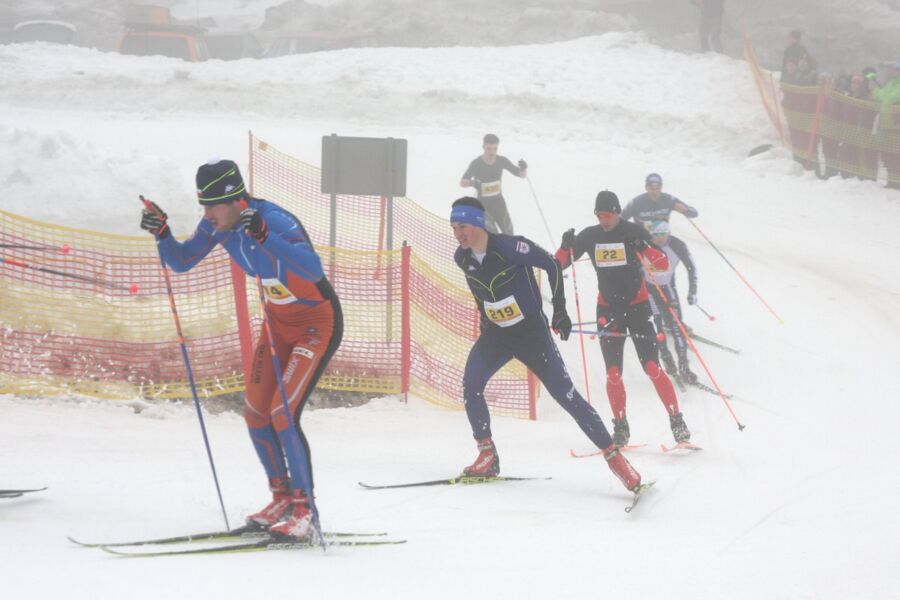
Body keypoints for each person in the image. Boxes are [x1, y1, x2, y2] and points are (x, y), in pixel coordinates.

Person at [139, 158, 343, 541]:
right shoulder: (218, 225)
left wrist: (267, 237)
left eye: (212, 206)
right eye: (203, 206)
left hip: (317, 324)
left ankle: (305, 511)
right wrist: (163, 233)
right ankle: (281, 498)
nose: (207, 214)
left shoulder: (273, 220)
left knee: (283, 413)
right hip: (279, 326)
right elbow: (181, 262)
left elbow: (314, 269)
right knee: (254, 413)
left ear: (235, 201)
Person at [450, 196, 643, 493]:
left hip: (531, 335)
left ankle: (615, 459)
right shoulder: (462, 258)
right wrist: (486, 320)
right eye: (454, 227)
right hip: (497, 336)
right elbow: (481, 293)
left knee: (567, 397)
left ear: (477, 223)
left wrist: (561, 311)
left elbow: (552, 265)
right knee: (471, 384)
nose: (458, 233)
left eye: (462, 225)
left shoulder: (511, 247)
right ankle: (487, 454)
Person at [556, 191, 692, 448]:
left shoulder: (633, 231)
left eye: (607, 215)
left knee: (652, 368)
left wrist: (643, 247)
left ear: (617, 212)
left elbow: (662, 264)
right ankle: (620, 425)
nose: (604, 220)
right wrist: (565, 246)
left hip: (639, 308)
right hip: (608, 310)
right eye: (599, 215)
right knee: (613, 373)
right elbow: (559, 264)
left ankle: (677, 420)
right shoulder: (591, 235)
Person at [644, 221, 699, 384]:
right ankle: (667, 359)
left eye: (663, 235)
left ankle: (684, 367)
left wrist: (692, 292)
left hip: (667, 288)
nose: (659, 239)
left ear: (669, 233)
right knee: (657, 327)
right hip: (648, 291)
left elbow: (691, 267)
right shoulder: (644, 244)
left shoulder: (677, 244)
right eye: (655, 235)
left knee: (677, 327)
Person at [459, 133, 527, 235]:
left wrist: (524, 168)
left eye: (495, 149)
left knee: (509, 235)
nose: (492, 152)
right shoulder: (476, 163)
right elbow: (462, 182)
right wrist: (473, 183)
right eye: (489, 149)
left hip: (499, 204)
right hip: (484, 207)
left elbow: (521, 175)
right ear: (483, 147)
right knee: (493, 236)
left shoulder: (501, 160)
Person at [621, 173, 699, 232]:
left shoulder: (669, 200)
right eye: (652, 188)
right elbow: (620, 219)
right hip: (643, 238)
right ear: (646, 188)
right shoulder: (636, 202)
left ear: (661, 187)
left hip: (662, 237)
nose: (655, 192)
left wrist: (686, 210)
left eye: (657, 188)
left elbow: (694, 213)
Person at [873, 61, 900, 189]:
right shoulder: (890, 83)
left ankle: (897, 181)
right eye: (895, 69)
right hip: (885, 124)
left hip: (897, 127)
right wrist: (882, 95)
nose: (895, 71)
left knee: (896, 155)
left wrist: (881, 94)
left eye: (898, 69)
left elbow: (890, 99)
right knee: (887, 155)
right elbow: (876, 95)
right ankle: (891, 180)